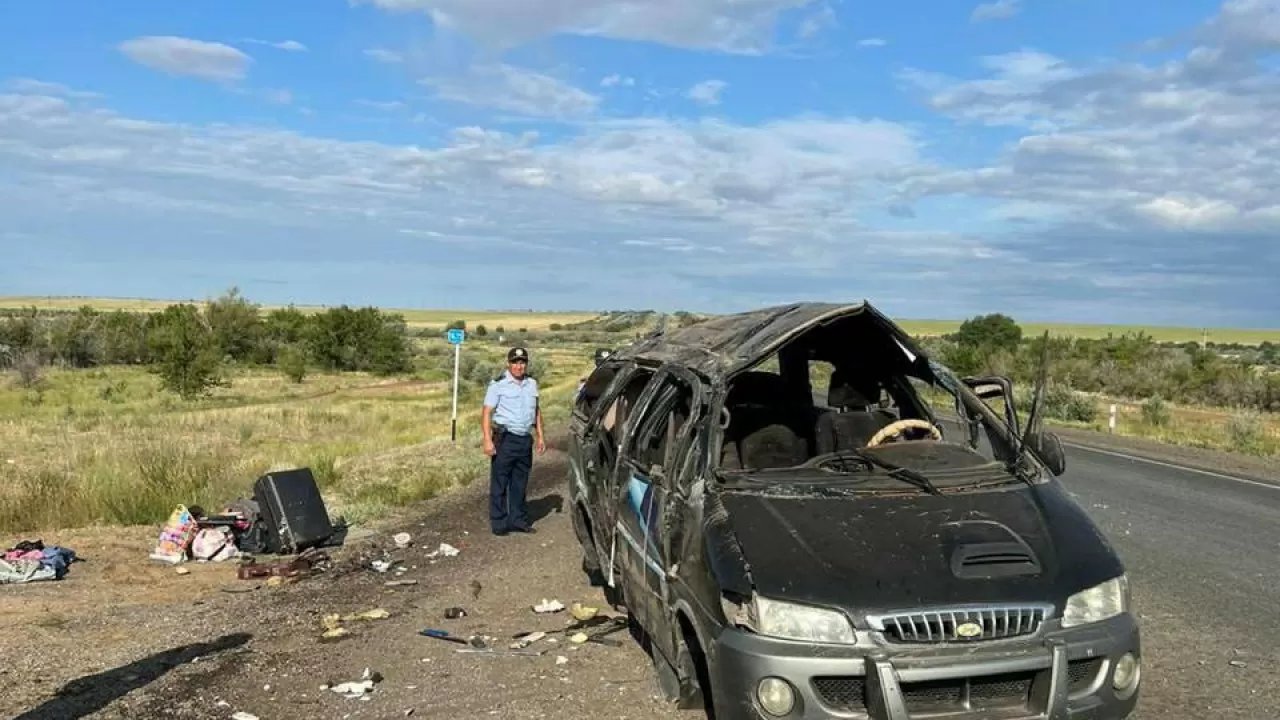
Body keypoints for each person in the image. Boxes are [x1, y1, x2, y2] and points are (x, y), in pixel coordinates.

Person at [482, 346, 546, 535]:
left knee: (520, 482)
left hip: (524, 439)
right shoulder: (498, 385)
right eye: (515, 362)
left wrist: (540, 435)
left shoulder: (531, 384)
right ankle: (499, 523)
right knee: (500, 482)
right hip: (505, 438)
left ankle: (518, 520)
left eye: (522, 362)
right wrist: (487, 440)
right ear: (508, 364)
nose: (519, 366)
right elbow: (487, 412)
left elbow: (536, 411)